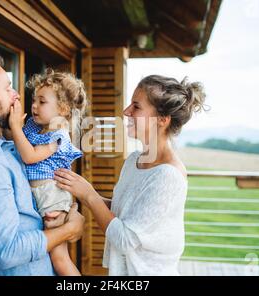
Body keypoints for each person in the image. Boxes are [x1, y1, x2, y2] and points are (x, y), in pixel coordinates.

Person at [54, 75, 207, 275]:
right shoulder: (135, 160)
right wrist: (79, 192)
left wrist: (89, 195)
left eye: (136, 106)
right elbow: (124, 211)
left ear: (162, 119)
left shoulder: (168, 176)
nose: (126, 111)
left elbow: (125, 238)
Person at [0, 51, 84, 276]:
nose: (16, 95)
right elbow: (7, 251)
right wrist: (70, 229)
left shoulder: (6, 146)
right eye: (8, 88)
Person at [9, 69, 86, 276]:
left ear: (62, 108)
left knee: (59, 258)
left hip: (52, 196)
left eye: (42, 102)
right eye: (34, 100)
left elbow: (30, 156)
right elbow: (16, 141)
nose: (34, 105)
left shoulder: (57, 134)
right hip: (40, 194)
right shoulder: (35, 127)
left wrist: (15, 127)